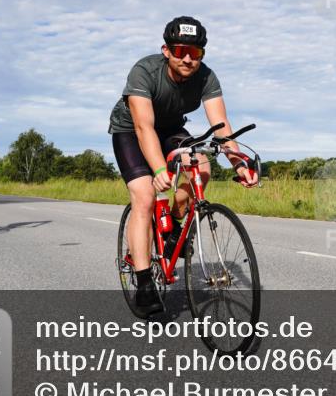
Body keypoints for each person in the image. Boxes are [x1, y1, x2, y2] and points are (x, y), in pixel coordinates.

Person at [108, 16, 258, 317]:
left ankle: (175, 226)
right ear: (166, 51)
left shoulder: (206, 77)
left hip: (171, 129)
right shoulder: (144, 71)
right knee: (145, 197)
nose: (188, 58)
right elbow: (143, 126)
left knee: (201, 165)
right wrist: (159, 170)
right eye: (180, 51)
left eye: (196, 52)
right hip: (131, 130)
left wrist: (238, 162)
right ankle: (144, 281)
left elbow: (221, 126)